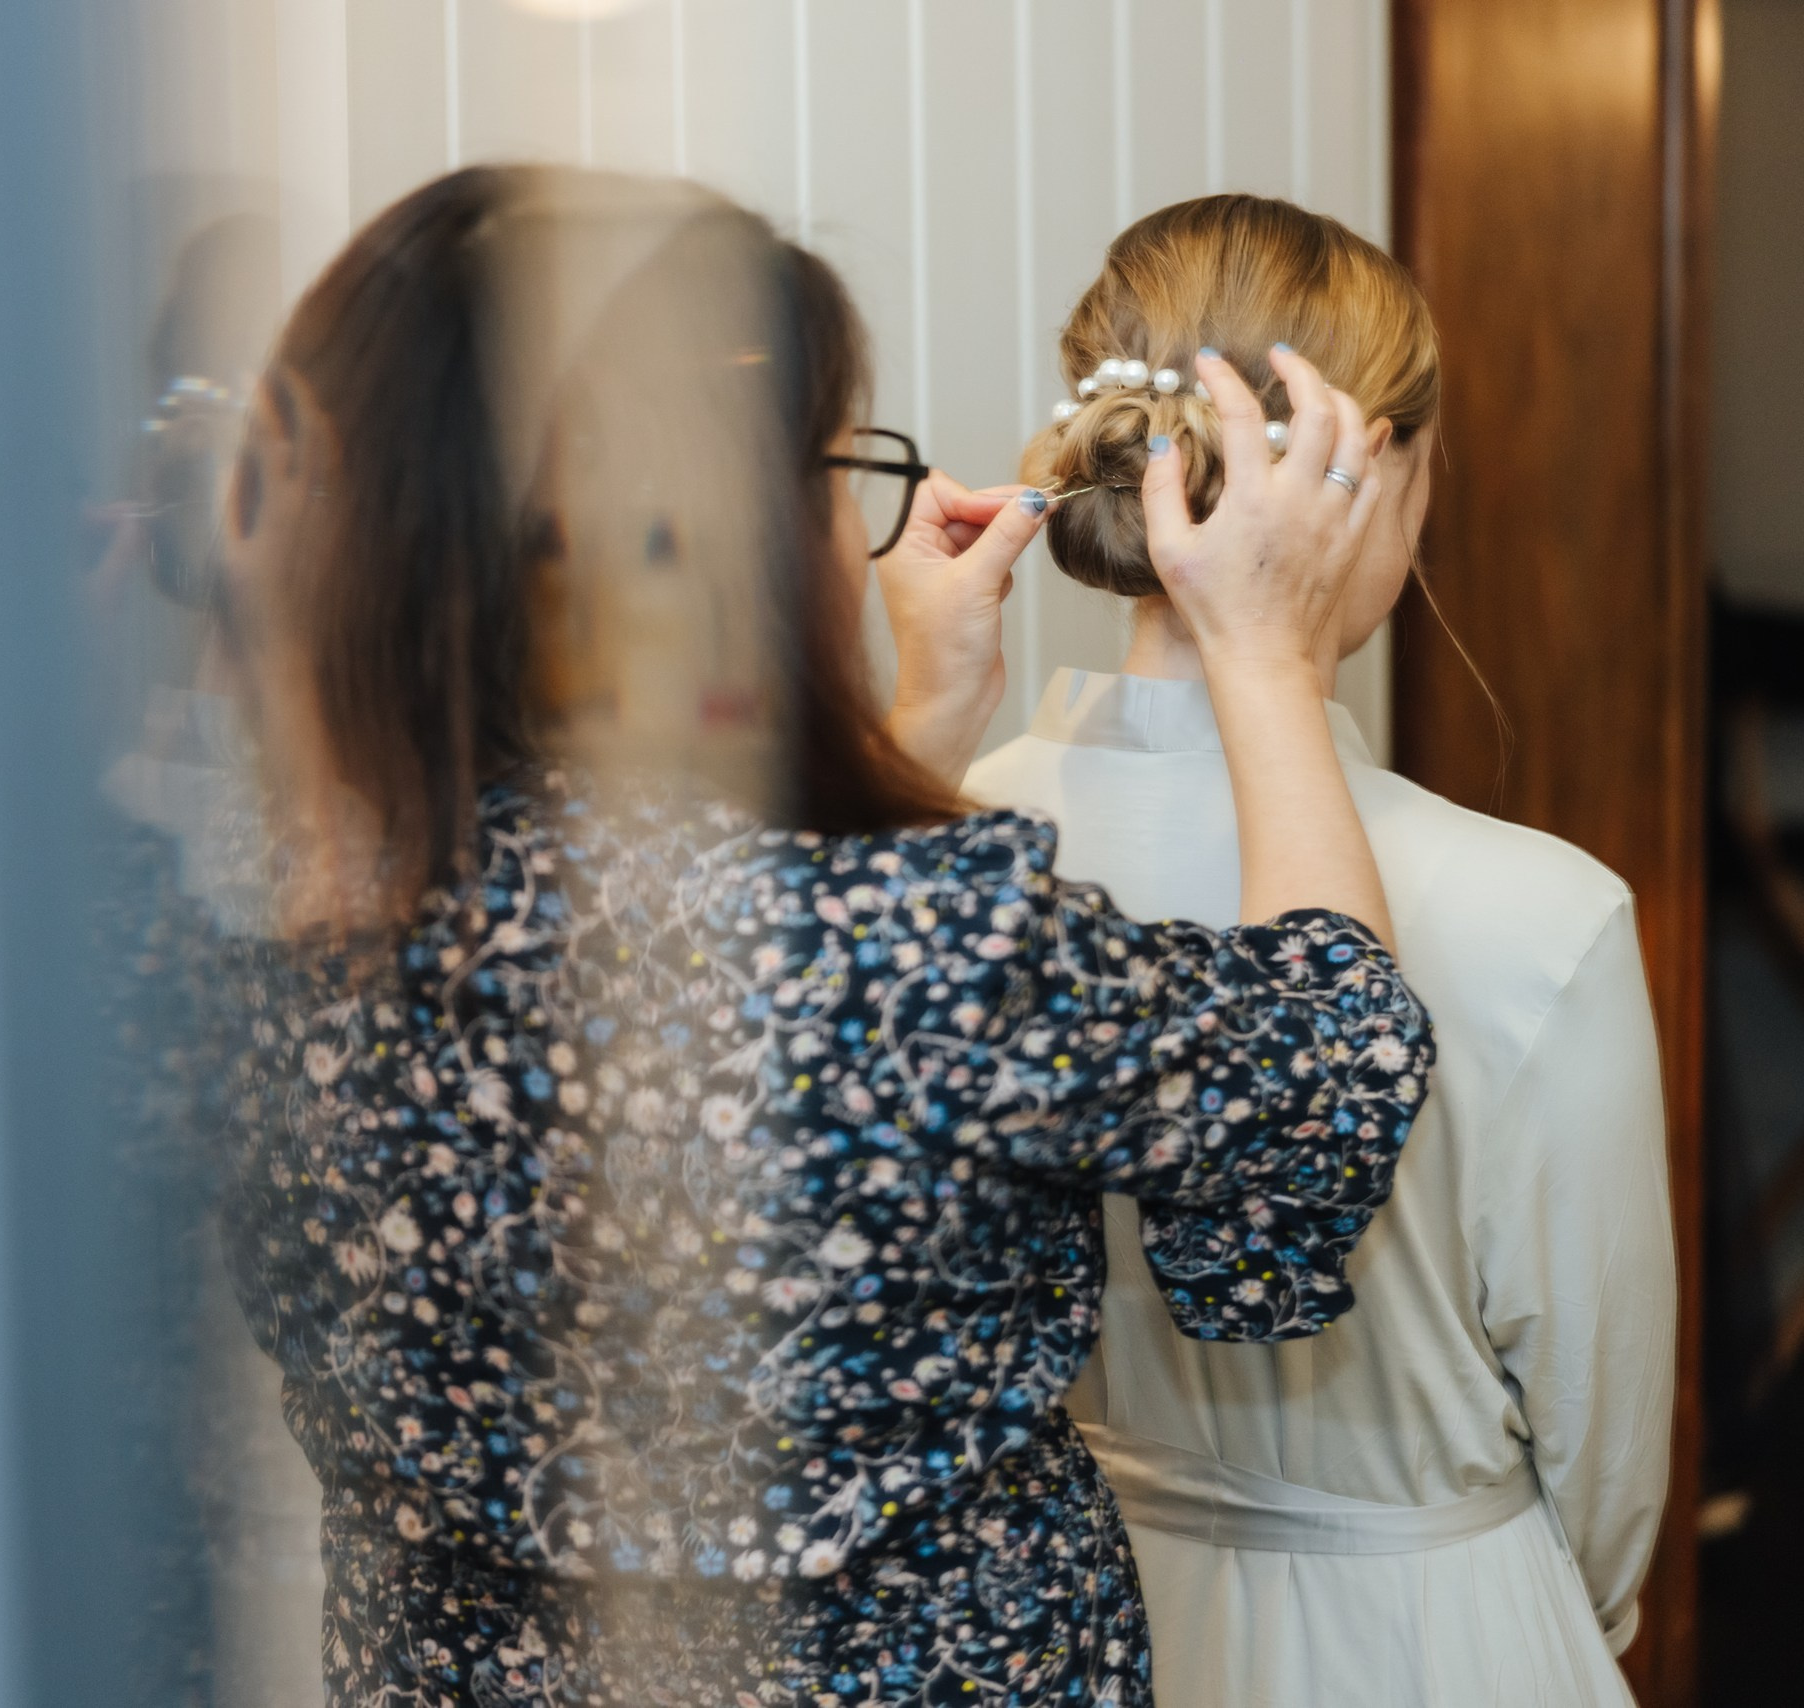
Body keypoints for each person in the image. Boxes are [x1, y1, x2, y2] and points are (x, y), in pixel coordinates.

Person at [185, 165, 1434, 1705]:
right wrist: (1265, 649)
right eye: (833, 481)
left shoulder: (255, 918)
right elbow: (1315, 1100)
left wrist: (913, 726)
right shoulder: (925, 944)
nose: (856, 543)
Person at [965, 193, 1674, 1707]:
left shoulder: (936, 862)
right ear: (1364, 475)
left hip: (1052, 1613)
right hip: (1435, 1633)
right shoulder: (1539, 914)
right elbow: (1606, 1467)